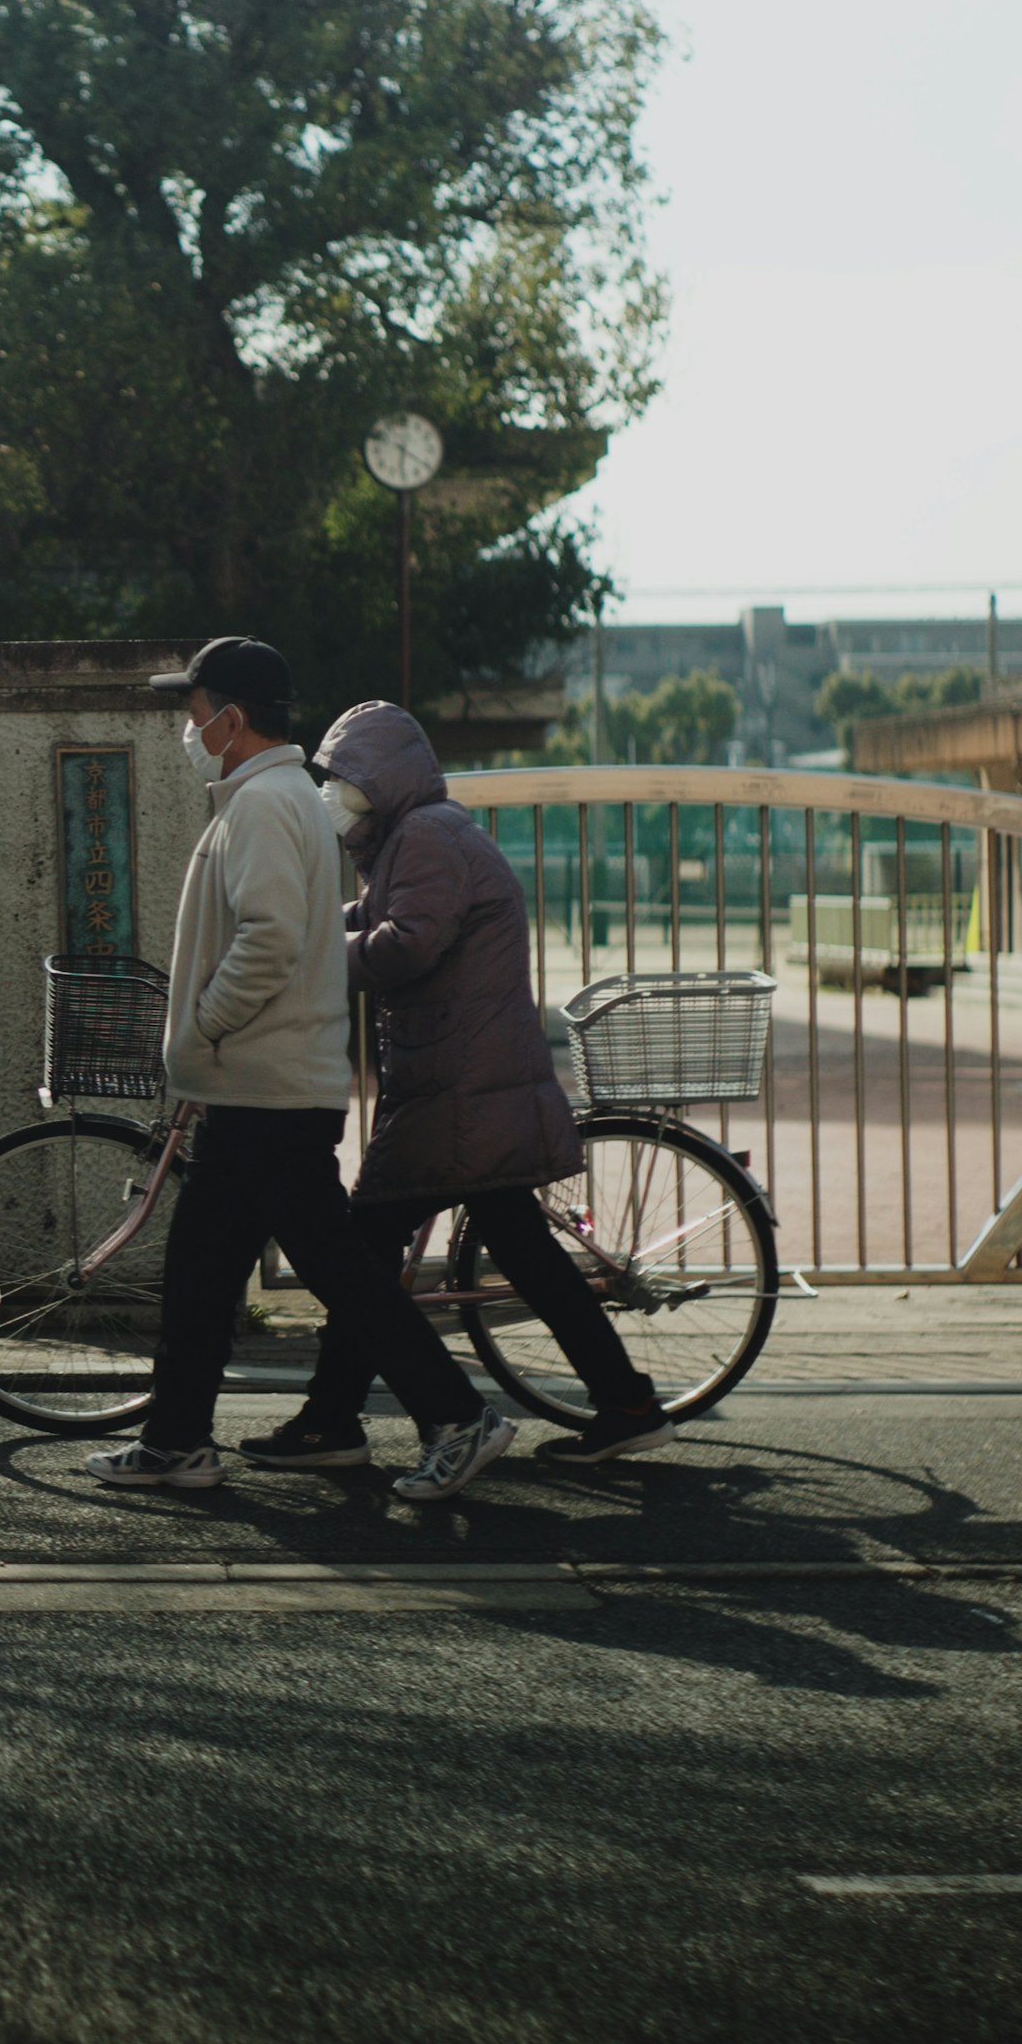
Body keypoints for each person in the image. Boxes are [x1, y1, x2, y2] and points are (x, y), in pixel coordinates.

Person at [84, 641, 518, 1503]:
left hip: (267, 1089)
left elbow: (271, 939)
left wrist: (204, 1027)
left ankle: (458, 1417)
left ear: (231, 719)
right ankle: (176, 1441)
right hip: (259, 1088)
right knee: (207, 1274)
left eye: (194, 708)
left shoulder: (266, 805)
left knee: (334, 1276)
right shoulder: (272, 799)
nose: (187, 725)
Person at [257, 699, 671, 1467]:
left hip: (457, 1089)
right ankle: (626, 1401)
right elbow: (379, 917)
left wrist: (310, 956)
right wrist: (313, 925)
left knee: (367, 1251)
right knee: (511, 1255)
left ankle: (333, 1421)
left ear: (378, 781)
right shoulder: (412, 841)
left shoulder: (424, 838)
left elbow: (407, 944)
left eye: (339, 779)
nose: (328, 794)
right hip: (463, 1082)